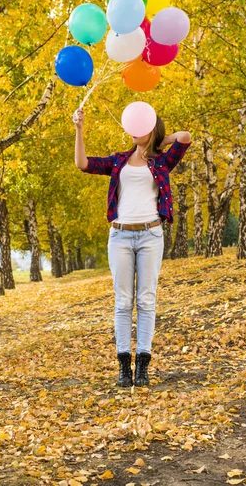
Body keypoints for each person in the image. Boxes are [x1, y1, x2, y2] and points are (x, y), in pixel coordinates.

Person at [74, 107, 191, 387]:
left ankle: (143, 365)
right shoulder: (119, 161)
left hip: (150, 235)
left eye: (143, 126)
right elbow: (83, 164)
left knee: (147, 300)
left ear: (151, 128)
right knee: (124, 302)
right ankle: (124, 367)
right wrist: (79, 129)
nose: (135, 130)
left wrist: (160, 139)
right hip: (121, 236)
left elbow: (185, 137)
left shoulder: (162, 162)